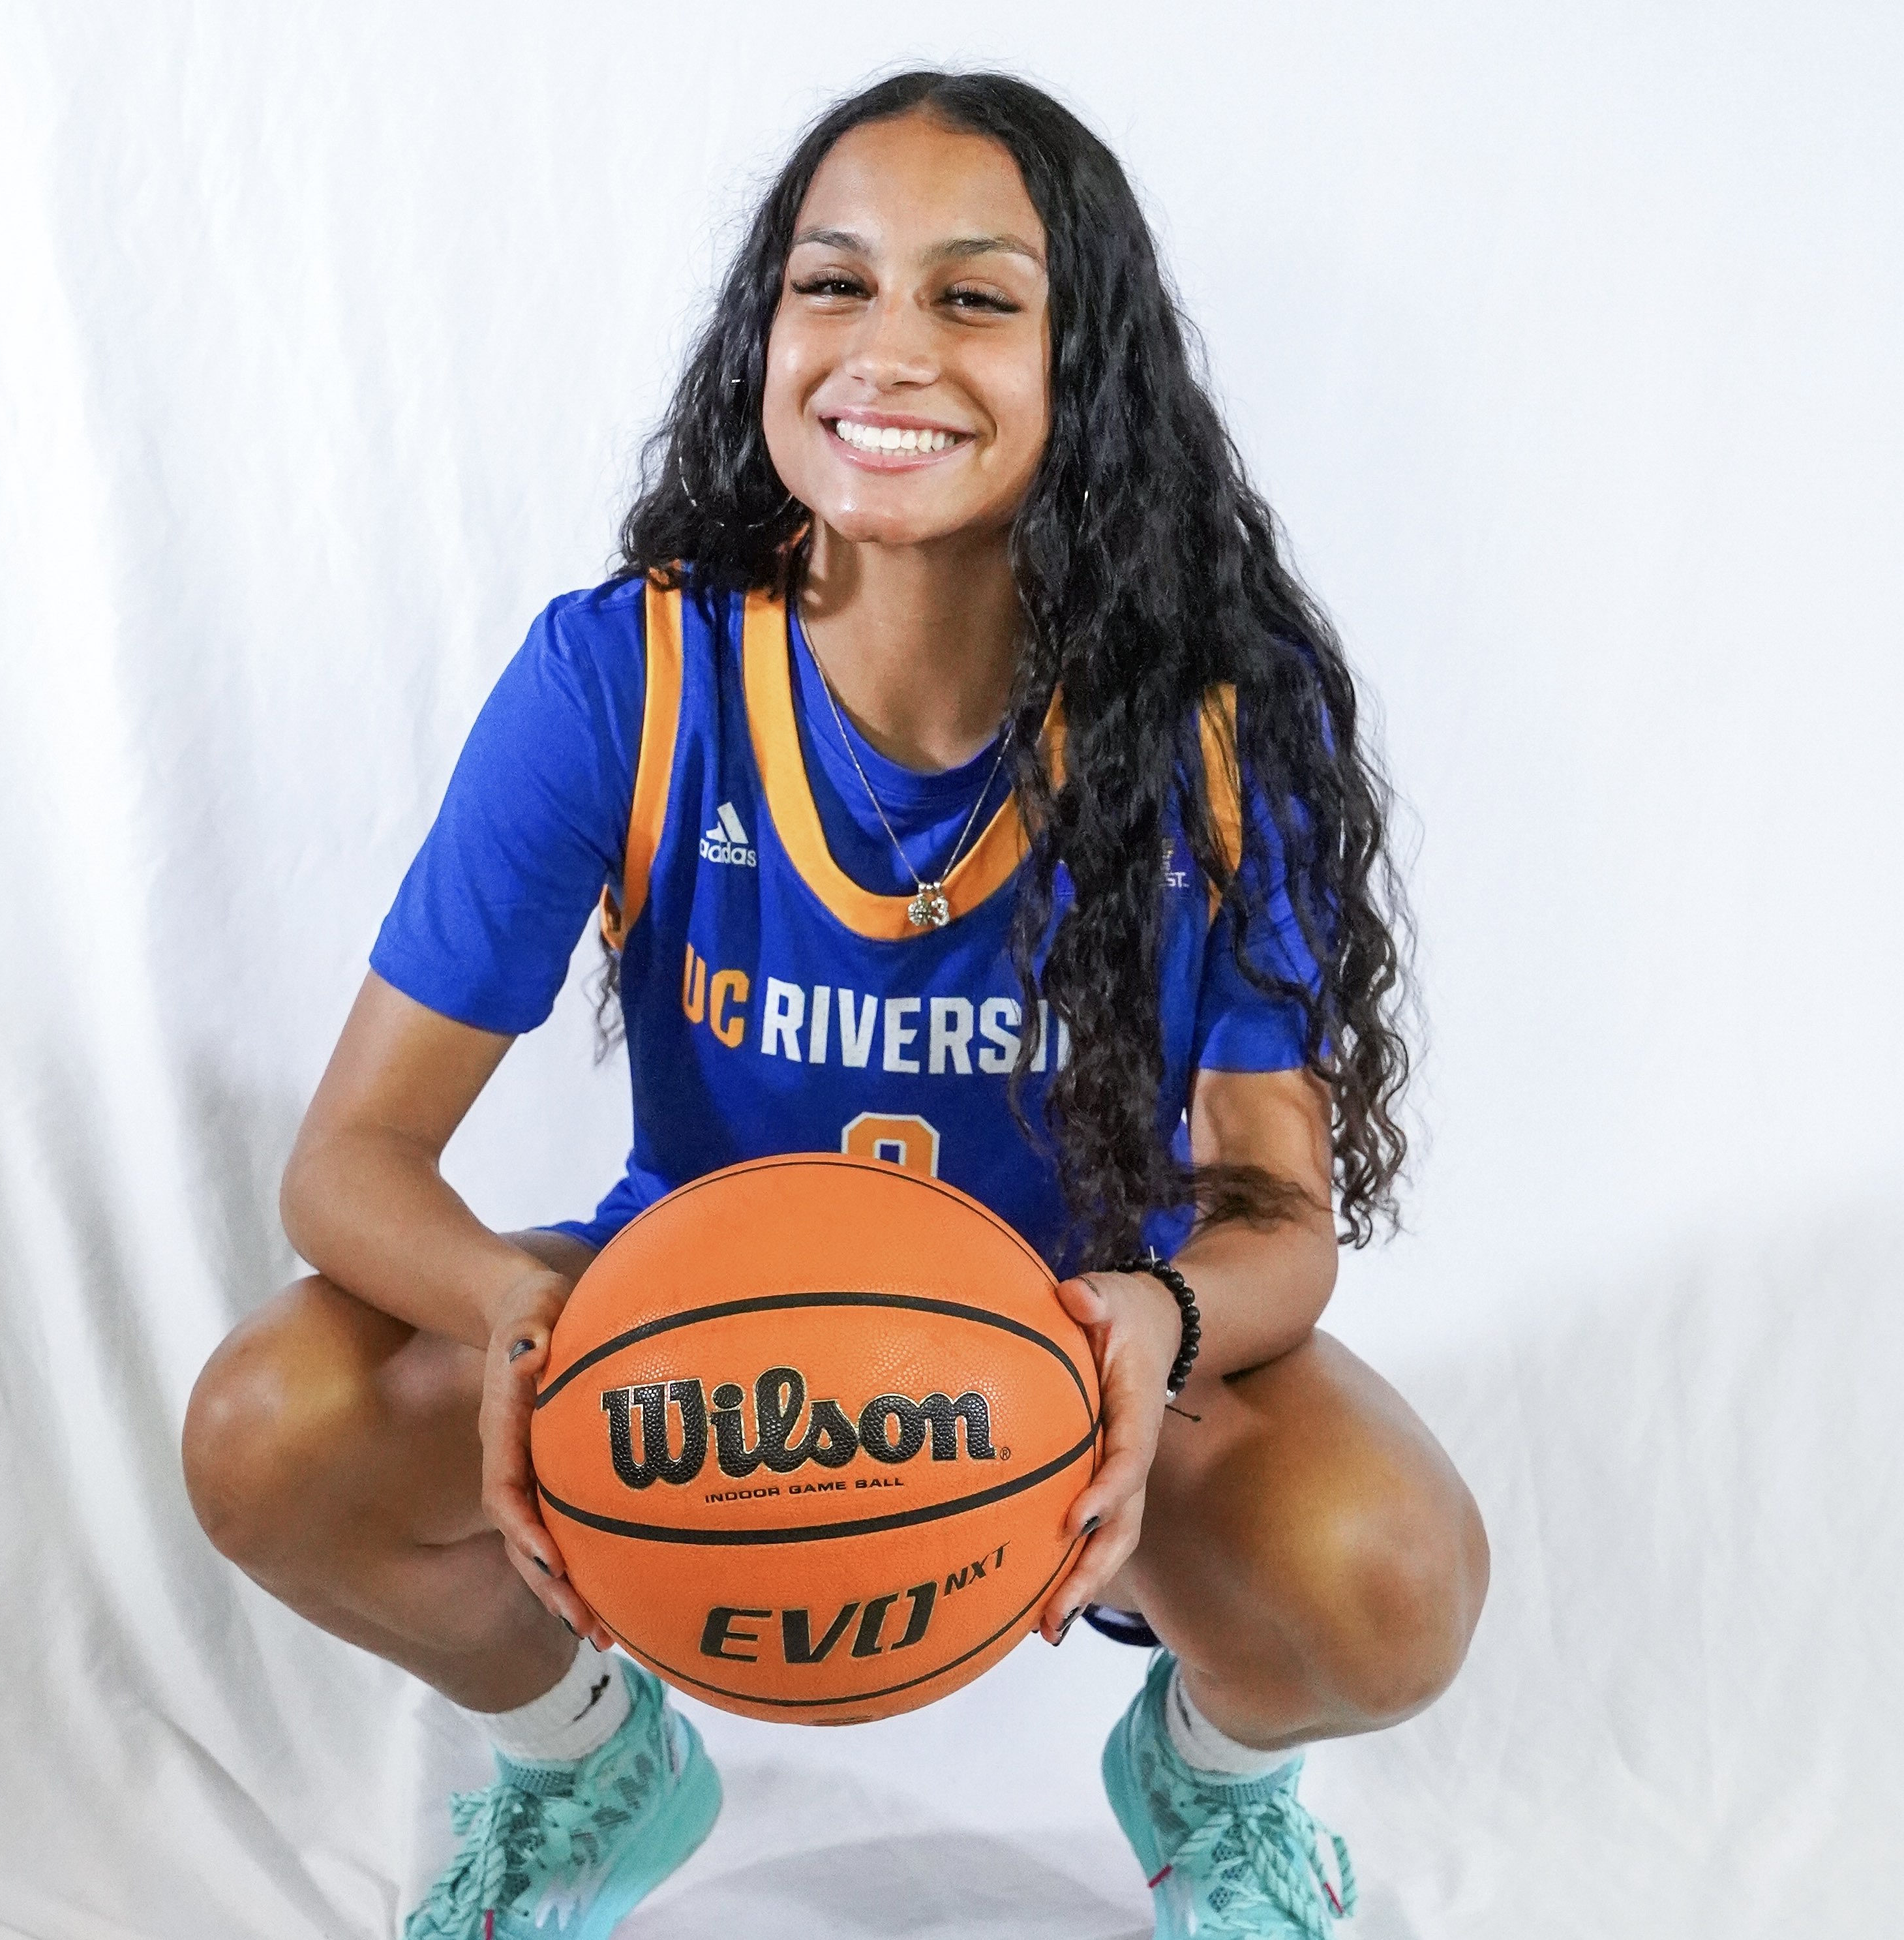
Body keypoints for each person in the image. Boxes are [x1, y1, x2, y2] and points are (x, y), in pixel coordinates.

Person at [183, 68, 1488, 1940]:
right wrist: (518, 1310)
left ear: (1086, 365)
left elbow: (1280, 1218)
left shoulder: (1211, 721)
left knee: (1393, 1576)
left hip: (1063, 1368)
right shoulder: (628, 677)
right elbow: (352, 1163)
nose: (890, 348)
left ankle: (1212, 1792)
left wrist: (1156, 1316)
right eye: (834, 282)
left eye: (975, 296)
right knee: (268, 1427)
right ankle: (589, 1763)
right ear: (767, 329)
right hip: (694, 1349)